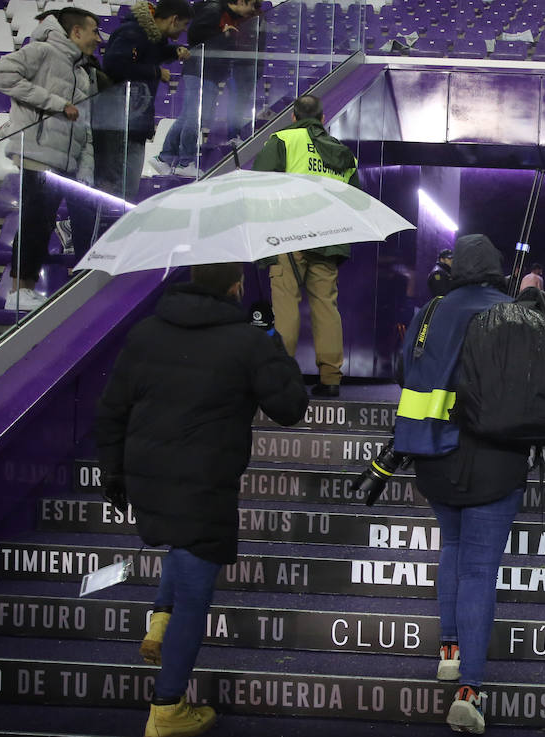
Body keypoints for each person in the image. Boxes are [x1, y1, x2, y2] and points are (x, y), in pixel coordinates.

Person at [96, 263, 308, 737]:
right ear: (235, 287)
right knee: (195, 589)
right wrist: (272, 341)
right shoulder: (248, 340)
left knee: (180, 544)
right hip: (205, 482)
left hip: (149, 478)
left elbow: (111, 409)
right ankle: (167, 710)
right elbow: (291, 408)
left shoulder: (147, 331)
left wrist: (112, 471)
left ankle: (159, 627)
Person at [393, 234, 529, 734]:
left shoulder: (431, 311)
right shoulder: (515, 313)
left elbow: (402, 370)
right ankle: (470, 691)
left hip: (436, 456)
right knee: (479, 571)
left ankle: (449, 652)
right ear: (495, 270)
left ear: (456, 269)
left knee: (451, 547)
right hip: (498, 460)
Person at [0, 7, 102, 312]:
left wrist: (86, 165)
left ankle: (23, 290)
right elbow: (0, 74)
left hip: (65, 161)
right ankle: (17, 290)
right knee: (35, 221)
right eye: (94, 31)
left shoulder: (82, 71)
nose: (98, 39)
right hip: (37, 153)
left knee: (43, 222)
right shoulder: (42, 51)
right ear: (76, 31)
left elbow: (85, 124)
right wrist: (55, 103)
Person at [252, 94, 358, 398]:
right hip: (329, 238)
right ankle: (330, 378)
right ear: (324, 119)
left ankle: (282, 379)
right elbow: (356, 202)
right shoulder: (343, 154)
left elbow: (260, 188)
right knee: (326, 305)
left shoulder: (283, 140)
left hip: (288, 237)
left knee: (286, 305)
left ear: (294, 118)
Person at [97, 0, 192, 204]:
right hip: (118, 123)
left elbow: (149, 55)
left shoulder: (153, 39)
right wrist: (155, 71)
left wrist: (172, 52)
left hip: (134, 122)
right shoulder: (131, 32)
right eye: (184, 25)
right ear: (174, 19)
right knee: (116, 191)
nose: (184, 30)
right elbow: (114, 65)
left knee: (127, 192)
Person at [154, 0, 260, 177]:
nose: (254, 10)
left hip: (209, 72)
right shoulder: (215, 9)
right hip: (199, 69)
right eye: (253, 5)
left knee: (191, 116)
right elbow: (195, 34)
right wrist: (223, 34)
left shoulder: (232, 17)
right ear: (241, 1)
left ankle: (164, 159)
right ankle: (184, 162)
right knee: (194, 117)